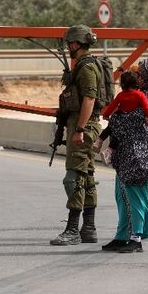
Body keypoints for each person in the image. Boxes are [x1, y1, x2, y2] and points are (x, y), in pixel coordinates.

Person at [100, 58, 148, 253]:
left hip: (138, 151)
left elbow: (132, 118)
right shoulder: (138, 93)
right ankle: (122, 236)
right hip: (125, 150)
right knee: (122, 194)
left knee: (135, 195)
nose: (137, 76)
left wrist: (114, 117)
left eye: (141, 73)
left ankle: (136, 238)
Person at [50, 25, 103, 246]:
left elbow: (89, 99)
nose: (68, 47)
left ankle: (72, 230)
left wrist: (80, 130)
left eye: (70, 43)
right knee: (87, 176)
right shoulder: (83, 65)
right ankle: (88, 229)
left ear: (77, 43)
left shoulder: (87, 67)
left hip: (84, 126)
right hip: (81, 124)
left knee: (74, 178)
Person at [96, 70, 148, 164]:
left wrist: (106, 115)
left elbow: (112, 106)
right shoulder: (140, 95)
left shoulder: (121, 95)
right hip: (128, 121)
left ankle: (99, 141)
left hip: (118, 117)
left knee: (110, 129)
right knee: (118, 135)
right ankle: (108, 151)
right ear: (136, 82)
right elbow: (146, 107)